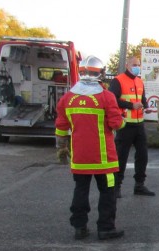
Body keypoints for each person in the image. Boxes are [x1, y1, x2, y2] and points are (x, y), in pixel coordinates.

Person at [54, 55, 126, 241]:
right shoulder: (106, 97)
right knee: (108, 193)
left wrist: (61, 149)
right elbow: (116, 124)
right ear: (100, 73)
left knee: (80, 191)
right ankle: (105, 228)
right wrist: (123, 120)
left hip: (80, 159)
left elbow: (61, 128)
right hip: (105, 160)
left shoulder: (67, 98)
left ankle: (80, 227)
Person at [109, 56, 155, 197]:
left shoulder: (140, 81)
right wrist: (130, 105)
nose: (137, 67)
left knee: (142, 155)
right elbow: (112, 100)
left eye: (138, 65)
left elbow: (142, 99)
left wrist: (146, 107)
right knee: (121, 157)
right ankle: (116, 186)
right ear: (127, 65)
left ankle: (139, 185)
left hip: (139, 123)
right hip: (125, 124)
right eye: (134, 64)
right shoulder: (118, 80)